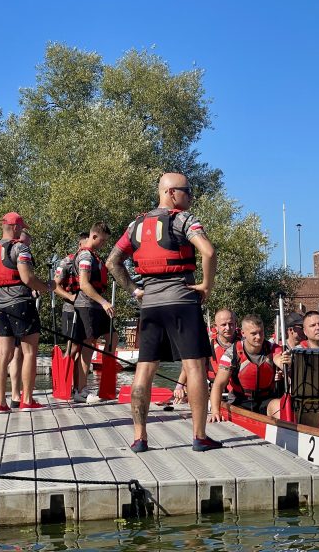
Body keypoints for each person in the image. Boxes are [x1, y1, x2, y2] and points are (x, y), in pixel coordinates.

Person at [107, 172, 221, 453]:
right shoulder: (183, 219)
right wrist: (206, 284)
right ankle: (199, 436)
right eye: (187, 191)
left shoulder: (135, 225)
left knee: (144, 370)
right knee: (194, 366)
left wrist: (135, 290)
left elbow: (113, 262)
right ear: (171, 193)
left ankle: (139, 438)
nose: (190, 196)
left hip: (152, 304)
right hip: (182, 299)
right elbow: (208, 252)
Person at [0, 212, 54, 413]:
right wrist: (47, 286)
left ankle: (1, 403)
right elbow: (27, 278)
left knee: (1, 355)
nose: (22, 230)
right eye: (21, 227)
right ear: (15, 227)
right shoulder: (20, 248)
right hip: (21, 305)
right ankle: (27, 399)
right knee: (29, 353)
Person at [208, 314, 291, 419]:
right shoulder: (232, 353)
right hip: (240, 401)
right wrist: (215, 411)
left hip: (266, 400)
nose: (259, 337)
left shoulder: (272, 348)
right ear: (243, 333)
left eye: (261, 332)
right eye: (254, 334)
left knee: (281, 406)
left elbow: (278, 358)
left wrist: (285, 362)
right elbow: (218, 385)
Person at [71, 222, 114, 403]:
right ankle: (81, 390)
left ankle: (107, 383)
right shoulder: (86, 256)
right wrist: (104, 302)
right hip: (88, 305)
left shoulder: (94, 256)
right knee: (87, 347)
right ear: (94, 236)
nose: (103, 245)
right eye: (102, 241)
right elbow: (84, 284)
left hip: (96, 306)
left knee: (113, 337)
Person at [173, 308, 238, 403]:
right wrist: (180, 386)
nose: (228, 328)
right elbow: (189, 365)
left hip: (237, 392)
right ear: (215, 326)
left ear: (236, 324)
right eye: (223, 325)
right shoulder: (207, 343)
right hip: (213, 389)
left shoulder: (244, 343)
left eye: (231, 324)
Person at [53, 231, 89, 386]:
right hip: (71, 309)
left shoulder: (90, 260)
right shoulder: (67, 262)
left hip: (86, 309)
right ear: (80, 244)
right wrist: (70, 297)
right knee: (72, 348)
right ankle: (64, 383)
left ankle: (78, 386)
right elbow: (55, 285)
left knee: (82, 348)